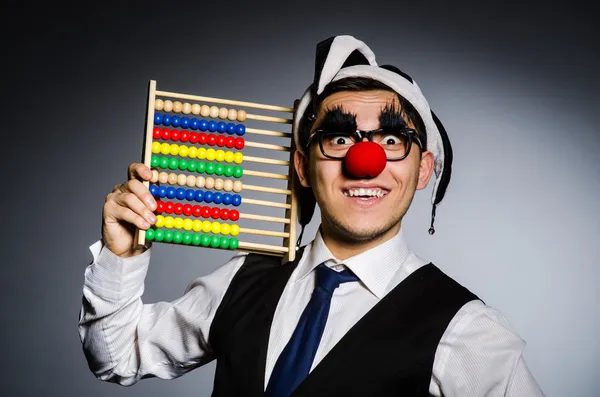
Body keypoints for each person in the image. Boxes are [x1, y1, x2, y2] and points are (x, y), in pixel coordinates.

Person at [78, 35, 546, 396]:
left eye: (390, 141)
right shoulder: (242, 281)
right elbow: (116, 356)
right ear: (303, 166)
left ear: (422, 169)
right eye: (339, 140)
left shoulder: (468, 331)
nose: (366, 163)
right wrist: (121, 256)